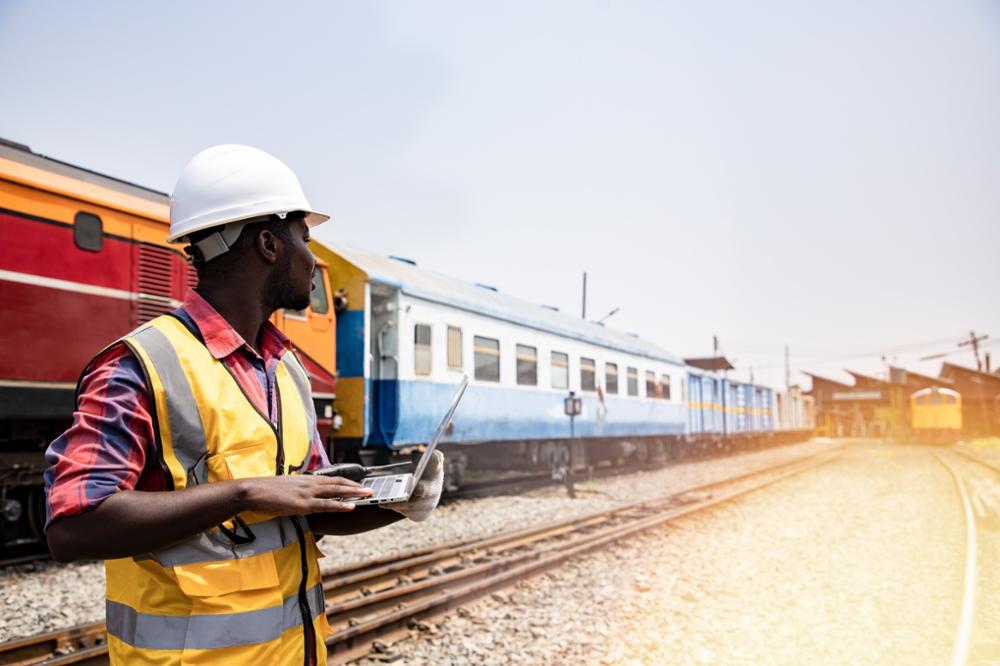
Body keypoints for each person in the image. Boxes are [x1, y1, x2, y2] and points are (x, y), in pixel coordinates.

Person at [43, 144, 445, 665]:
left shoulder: (286, 370)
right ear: (268, 244)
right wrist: (244, 493)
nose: (310, 256)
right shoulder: (137, 366)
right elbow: (73, 526)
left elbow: (307, 507)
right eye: (304, 236)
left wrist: (399, 502)